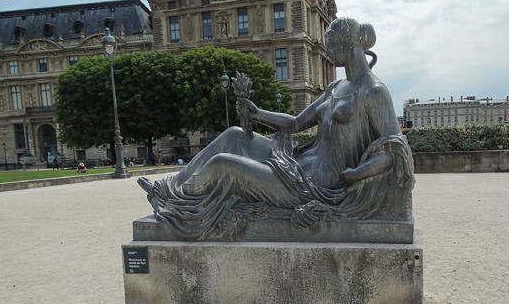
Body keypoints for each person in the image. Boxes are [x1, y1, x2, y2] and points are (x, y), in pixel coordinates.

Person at [139, 17, 414, 239]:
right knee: (235, 135)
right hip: (299, 164)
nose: (327, 51)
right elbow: (295, 123)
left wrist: (358, 173)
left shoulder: (374, 91)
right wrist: (257, 113)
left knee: (224, 165)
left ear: (347, 45)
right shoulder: (335, 88)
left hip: (315, 186)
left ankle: (177, 200)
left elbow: (394, 150)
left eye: (330, 45)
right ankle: (171, 186)